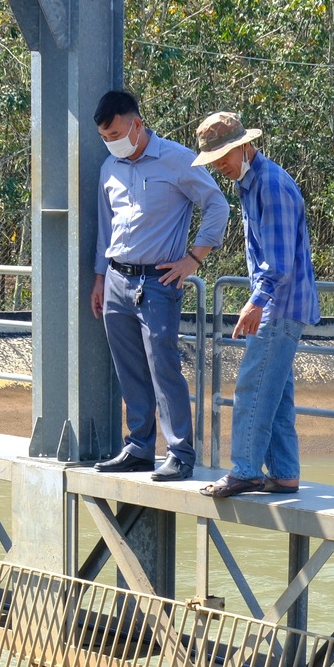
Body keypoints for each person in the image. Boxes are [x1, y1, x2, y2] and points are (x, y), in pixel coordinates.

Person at [89, 89, 227, 482]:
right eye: (104, 136)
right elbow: (105, 226)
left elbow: (216, 204)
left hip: (158, 282)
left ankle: (180, 453)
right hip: (117, 279)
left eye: (115, 132)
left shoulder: (178, 160)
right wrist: (100, 277)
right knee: (129, 368)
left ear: (136, 124)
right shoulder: (109, 168)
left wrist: (194, 259)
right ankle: (139, 447)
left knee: (163, 367)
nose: (110, 141)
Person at [190, 110, 319, 500]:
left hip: (278, 304)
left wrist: (257, 301)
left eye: (225, 155)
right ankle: (284, 473)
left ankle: (246, 469)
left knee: (253, 386)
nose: (221, 166)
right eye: (214, 160)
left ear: (247, 145)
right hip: (278, 302)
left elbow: (277, 262)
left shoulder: (269, 185)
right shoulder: (253, 182)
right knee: (275, 391)